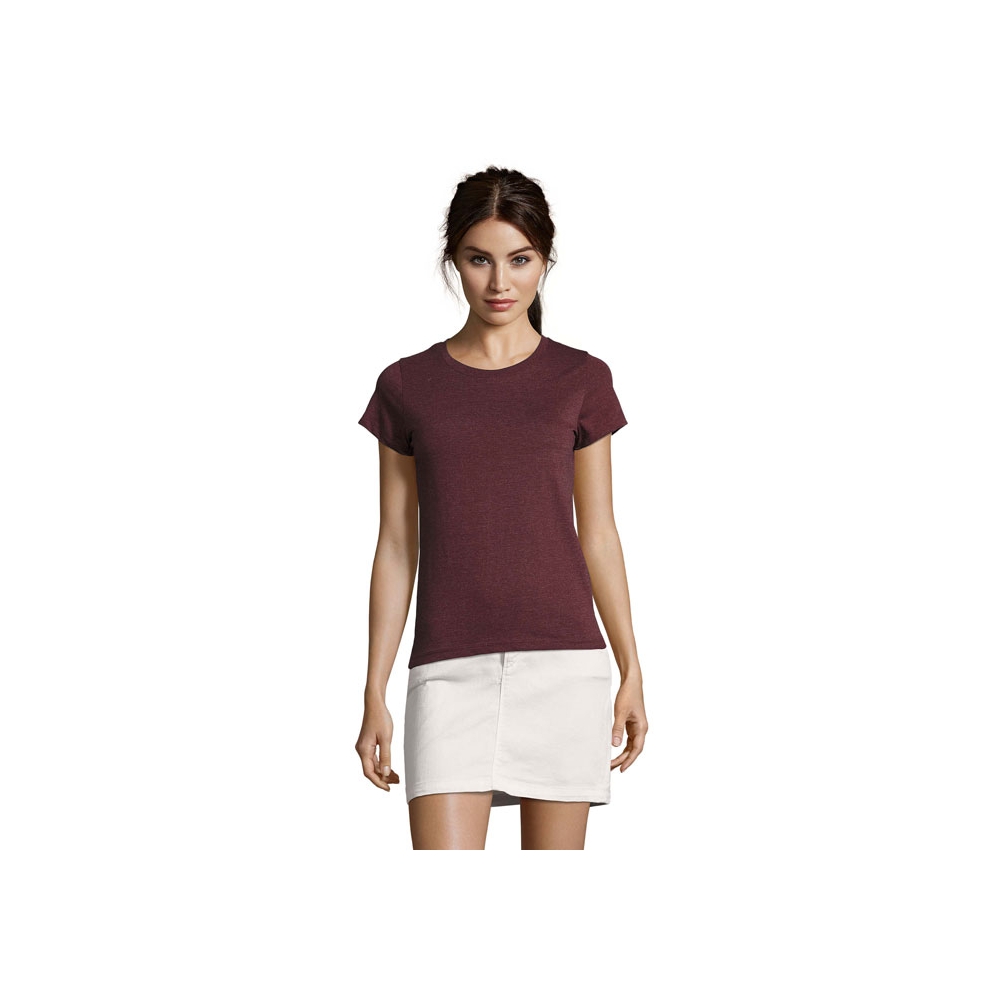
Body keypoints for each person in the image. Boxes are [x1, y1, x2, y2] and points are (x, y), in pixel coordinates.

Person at [355, 166, 648, 850]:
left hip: (564, 668)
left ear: (545, 260)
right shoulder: (407, 385)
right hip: (446, 671)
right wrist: (374, 689)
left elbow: (599, 533)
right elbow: (396, 544)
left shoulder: (581, 378)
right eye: (478, 259)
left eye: (520, 260)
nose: (499, 283)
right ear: (452, 260)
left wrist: (632, 667)